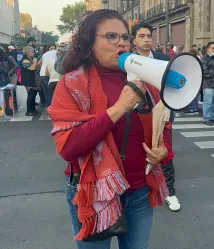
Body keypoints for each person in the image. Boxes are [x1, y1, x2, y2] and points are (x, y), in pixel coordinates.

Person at [48, 9, 174, 249]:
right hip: (94, 193)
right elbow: (68, 147)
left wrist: (163, 150)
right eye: (111, 37)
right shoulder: (71, 83)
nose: (122, 43)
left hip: (138, 190)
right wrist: (118, 109)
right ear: (89, 44)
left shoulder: (144, 79)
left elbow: (162, 123)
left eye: (125, 37)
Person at [131, 21, 181, 212]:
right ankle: (144, 187)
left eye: (148, 36)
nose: (146, 40)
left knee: (165, 152)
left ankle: (170, 193)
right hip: (136, 117)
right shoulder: (127, 60)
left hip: (162, 115)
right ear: (133, 40)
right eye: (141, 36)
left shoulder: (162, 58)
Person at [201, 41, 214, 126]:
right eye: (213, 48)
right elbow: (205, 71)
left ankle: (212, 116)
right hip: (208, 84)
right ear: (208, 49)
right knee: (208, 102)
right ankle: (206, 118)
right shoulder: (204, 59)